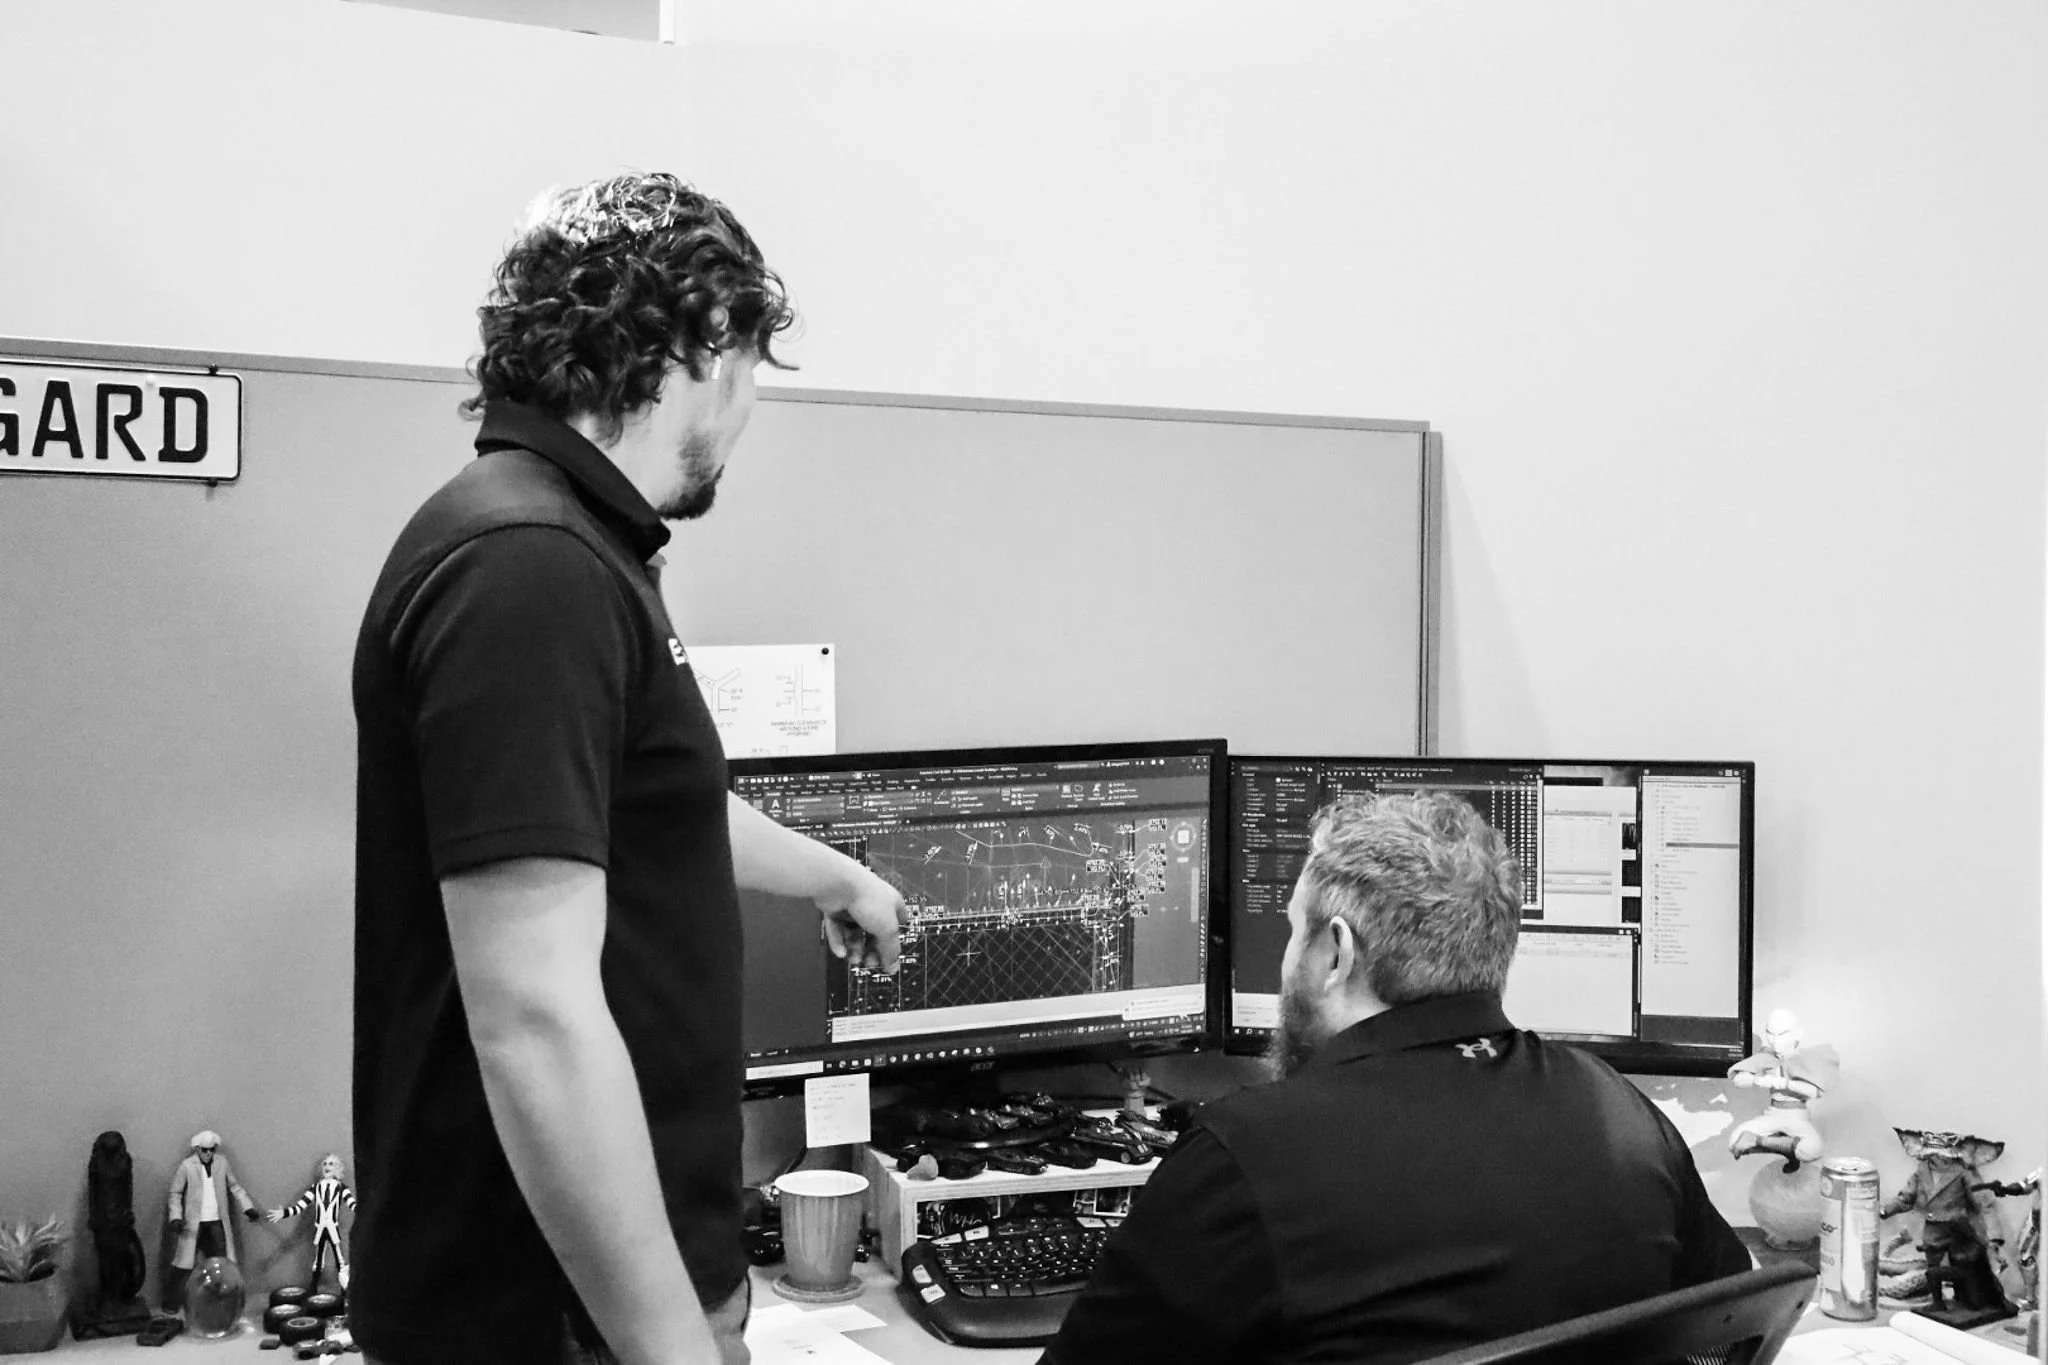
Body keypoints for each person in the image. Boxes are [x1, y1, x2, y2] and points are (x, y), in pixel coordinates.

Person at [350, 172, 906, 1365]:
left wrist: (830, 876)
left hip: (590, 1306)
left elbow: (637, 809)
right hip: (554, 1316)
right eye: (750, 367)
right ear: (702, 342)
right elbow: (535, 1019)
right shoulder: (530, 571)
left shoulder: (560, 542)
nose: (749, 409)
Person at [1040, 791, 1750, 1365]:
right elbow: (1733, 1324)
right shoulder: (1619, 1113)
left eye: (1294, 932)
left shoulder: (1245, 1156)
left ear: (1336, 953)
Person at [164, 1131, 259, 1307]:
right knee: (183, 1263)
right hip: (193, 1223)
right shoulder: (187, 1166)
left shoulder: (221, 1163)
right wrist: (175, 1217)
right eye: (205, 1150)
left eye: (212, 1150)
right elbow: (175, 1193)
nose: (208, 1153)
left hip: (216, 1221)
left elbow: (235, 1187)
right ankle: (172, 1301)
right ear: (197, 1149)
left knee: (222, 1263)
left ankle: (223, 1300)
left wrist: (248, 1207)